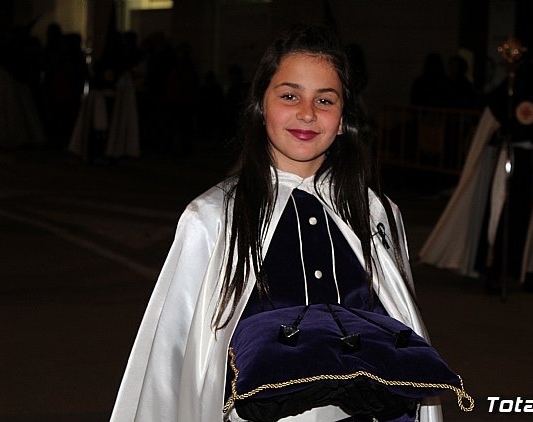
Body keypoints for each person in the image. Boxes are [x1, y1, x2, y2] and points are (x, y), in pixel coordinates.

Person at [109, 24, 445, 422]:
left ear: (343, 120)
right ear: (260, 106)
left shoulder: (377, 213)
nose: (307, 113)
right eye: (289, 96)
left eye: (325, 100)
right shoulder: (213, 217)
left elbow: (401, 328)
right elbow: (175, 355)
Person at [418, 59, 533, 296]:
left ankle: (530, 271)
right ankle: (495, 271)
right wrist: (504, 129)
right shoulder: (505, 94)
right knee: (502, 217)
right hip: (510, 161)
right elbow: (488, 127)